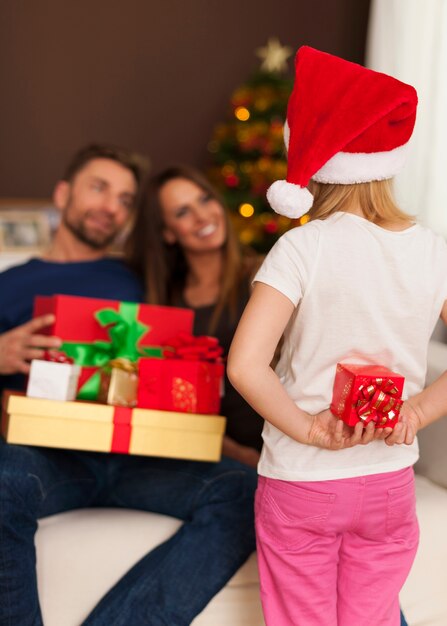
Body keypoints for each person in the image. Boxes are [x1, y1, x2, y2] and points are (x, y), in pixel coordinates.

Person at [227, 46, 447, 626]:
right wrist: (418, 413)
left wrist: (308, 427)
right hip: (389, 483)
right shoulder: (431, 250)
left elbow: (246, 365)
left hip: (304, 481)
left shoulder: (303, 246)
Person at [0, 144, 257, 626]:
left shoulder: (145, 278)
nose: (111, 206)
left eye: (125, 199)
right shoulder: (11, 283)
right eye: (99, 188)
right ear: (62, 193)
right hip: (47, 459)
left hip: (143, 457)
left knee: (244, 492)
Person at [126, 164, 264, 468]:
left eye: (204, 200)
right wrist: (234, 454)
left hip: (274, 446)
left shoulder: (263, 276)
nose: (202, 217)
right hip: (204, 453)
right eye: (182, 212)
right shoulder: (164, 301)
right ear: (167, 233)